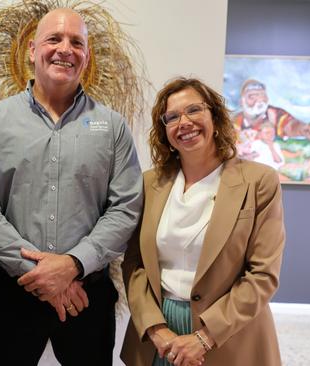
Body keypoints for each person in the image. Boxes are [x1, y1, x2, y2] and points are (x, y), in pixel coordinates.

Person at [0, 7, 143, 366]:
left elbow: (125, 208)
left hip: (86, 296)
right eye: (54, 39)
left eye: (77, 42)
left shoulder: (112, 127)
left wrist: (73, 265)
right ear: (32, 50)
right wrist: (43, 275)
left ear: (87, 56)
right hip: (12, 294)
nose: (66, 48)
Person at [121, 77, 285, 366]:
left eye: (194, 110)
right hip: (161, 336)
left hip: (229, 335)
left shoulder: (259, 181)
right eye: (172, 117)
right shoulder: (149, 184)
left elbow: (262, 275)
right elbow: (135, 264)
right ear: (164, 130)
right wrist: (155, 328)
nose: (184, 122)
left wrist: (204, 337)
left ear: (216, 117)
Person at [233, 78, 310, 144]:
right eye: (252, 96)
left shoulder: (274, 115)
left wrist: (306, 129)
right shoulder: (234, 122)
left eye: (262, 96)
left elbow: (291, 126)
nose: (259, 101)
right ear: (241, 102)